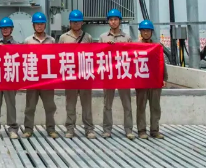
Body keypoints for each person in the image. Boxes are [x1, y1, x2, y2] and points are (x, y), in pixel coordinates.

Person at [58, 10, 96, 139]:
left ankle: (89, 129)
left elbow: (93, 55)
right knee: (70, 104)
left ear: (82, 23)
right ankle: (70, 128)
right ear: (70, 23)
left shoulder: (88, 37)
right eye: (73, 22)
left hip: (84, 76)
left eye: (78, 22)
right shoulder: (63, 38)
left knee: (87, 105)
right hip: (70, 76)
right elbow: (58, 56)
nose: (76, 24)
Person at [100, 8, 135, 140]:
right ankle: (107, 130)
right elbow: (98, 55)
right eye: (111, 19)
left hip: (123, 74)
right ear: (108, 21)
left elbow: (131, 55)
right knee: (107, 104)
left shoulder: (127, 38)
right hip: (109, 74)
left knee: (127, 104)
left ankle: (128, 130)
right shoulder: (103, 38)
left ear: (120, 21)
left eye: (115, 19)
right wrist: (106, 47)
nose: (113, 22)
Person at [23, 12, 59, 139]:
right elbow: (23, 59)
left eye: (42, 24)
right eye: (37, 24)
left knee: (50, 106)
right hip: (33, 79)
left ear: (45, 25)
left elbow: (56, 58)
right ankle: (28, 129)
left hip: (47, 79)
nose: (39, 26)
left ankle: (51, 129)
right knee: (30, 107)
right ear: (33, 25)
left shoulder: (52, 40)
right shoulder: (28, 41)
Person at [135, 19, 167, 139]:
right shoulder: (136, 46)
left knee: (155, 107)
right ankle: (141, 130)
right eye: (143, 31)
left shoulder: (157, 47)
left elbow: (162, 63)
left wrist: (164, 78)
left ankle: (155, 130)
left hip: (155, 81)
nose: (146, 33)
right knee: (141, 107)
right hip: (142, 81)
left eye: (148, 31)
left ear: (151, 32)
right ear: (140, 32)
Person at [0, 17, 19, 139]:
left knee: (11, 104)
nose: (5, 30)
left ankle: (13, 128)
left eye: (7, 28)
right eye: (3, 28)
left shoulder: (17, 45)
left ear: (12, 29)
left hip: (10, 79)